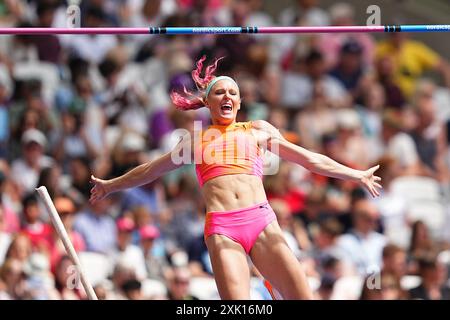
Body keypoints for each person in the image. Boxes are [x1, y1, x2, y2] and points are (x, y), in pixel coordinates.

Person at [90, 56, 382, 300]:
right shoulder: (195, 141)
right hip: (222, 228)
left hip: (261, 221)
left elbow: (309, 159)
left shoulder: (256, 130)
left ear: (240, 102)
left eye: (232, 92)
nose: (227, 96)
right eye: (219, 92)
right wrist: (110, 185)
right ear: (208, 102)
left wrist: (355, 174)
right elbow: (149, 170)